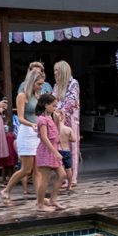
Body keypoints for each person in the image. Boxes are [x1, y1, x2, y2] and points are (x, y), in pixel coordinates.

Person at [0, 70, 44, 205]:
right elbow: (20, 118)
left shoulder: (37, 96)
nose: (40, 86)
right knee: (26, 169)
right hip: (27, 133)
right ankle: (6, 190)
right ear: (32, 82)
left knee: (37, 170)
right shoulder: (22, 95)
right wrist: (32, 124)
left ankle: (40, 199)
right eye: (39, 84)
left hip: (36, 133)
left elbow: (38, 115)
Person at [34, 93, 66, 212]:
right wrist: (55, 152)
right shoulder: (42, 119)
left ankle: (53, 200)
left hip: (53, 150)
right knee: (45, 179)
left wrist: (59, 120)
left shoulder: (49, 117)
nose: (55, 108)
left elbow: (56, 133)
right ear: (46, 105)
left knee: (62, 175)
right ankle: (40, 204)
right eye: (53, 105)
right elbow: (44, 137)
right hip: (46, 152)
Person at [53, 60, 81, 188]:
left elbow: (72, 100)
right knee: (60, 147)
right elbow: (53, 100)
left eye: (57, 70)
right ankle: (64, 176)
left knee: (72, 148)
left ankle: (72, 178)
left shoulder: (73, 83)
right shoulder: (56, 86)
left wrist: (60, 111)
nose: (55, 73)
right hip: (58, 120)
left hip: (70, 120)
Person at [56, 109, 74, 192]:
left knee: (60, 170)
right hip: (66, 151)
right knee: (68, 169)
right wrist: (67, 138)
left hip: (58, 151)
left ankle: (60, 184)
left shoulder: (55, 129)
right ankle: (69, 185)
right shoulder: (68, 129)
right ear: (64, 118)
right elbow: (74, 139)